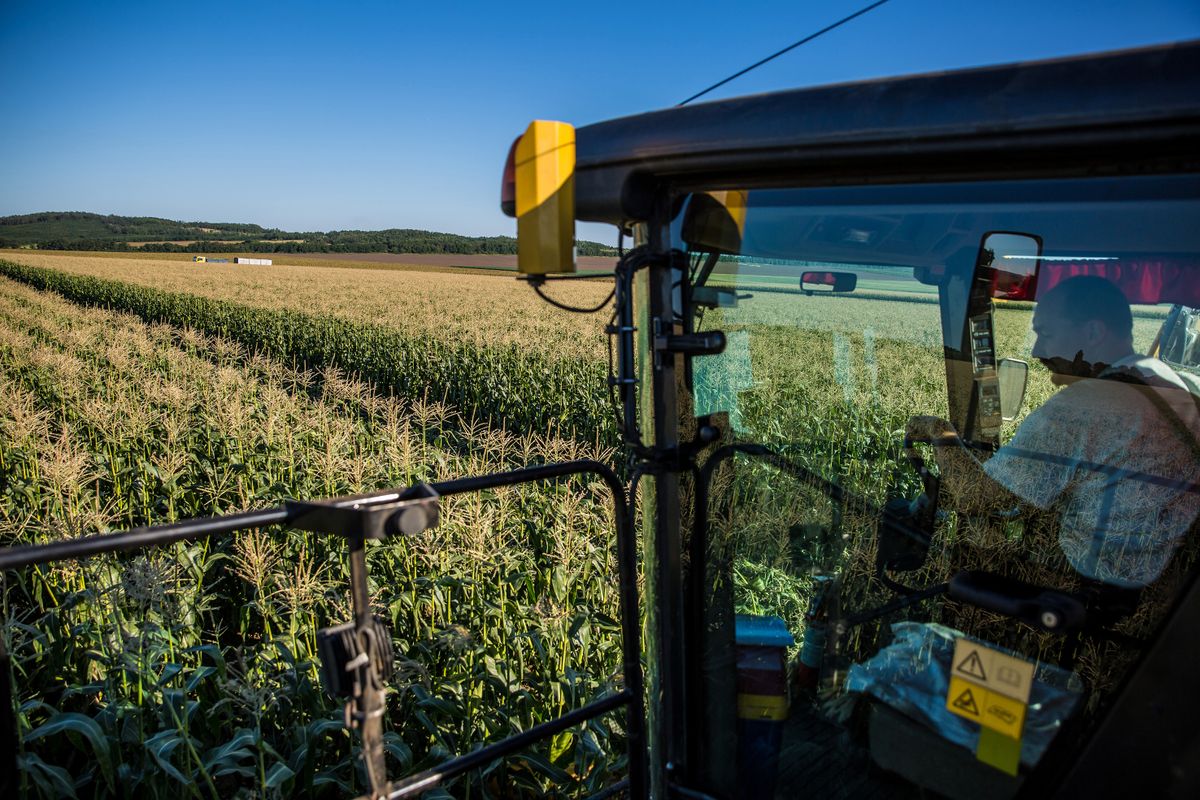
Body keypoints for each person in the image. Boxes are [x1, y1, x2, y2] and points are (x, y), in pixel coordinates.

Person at [907, 276, 1200, 590]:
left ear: (1092, 332)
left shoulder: (1084, 406)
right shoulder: (1177, 383)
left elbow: (975, 497)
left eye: (1045, 334)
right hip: (1164, 584)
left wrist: (940, 432)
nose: (1036, 350)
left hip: (1094, 592)